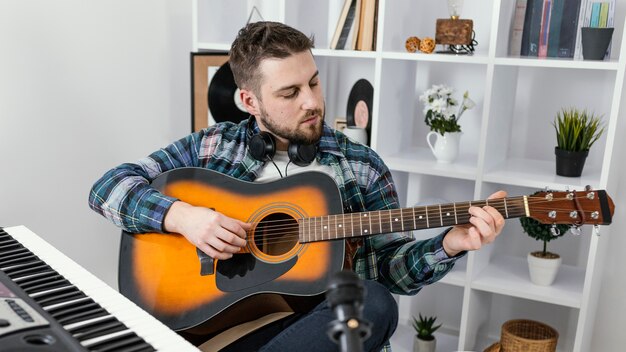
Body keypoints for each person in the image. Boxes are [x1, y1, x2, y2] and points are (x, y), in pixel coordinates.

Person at [89, 21, 506, 352]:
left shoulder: (361, 166)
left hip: (309, 332)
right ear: (250, 102)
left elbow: (389, 271)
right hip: (214, 331)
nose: (311, 101)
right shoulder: (213, 146)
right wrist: (185, 218)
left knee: (374, 300)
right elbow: (107, 188)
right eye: (290, 92)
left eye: (313, 82)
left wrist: (449, 244)